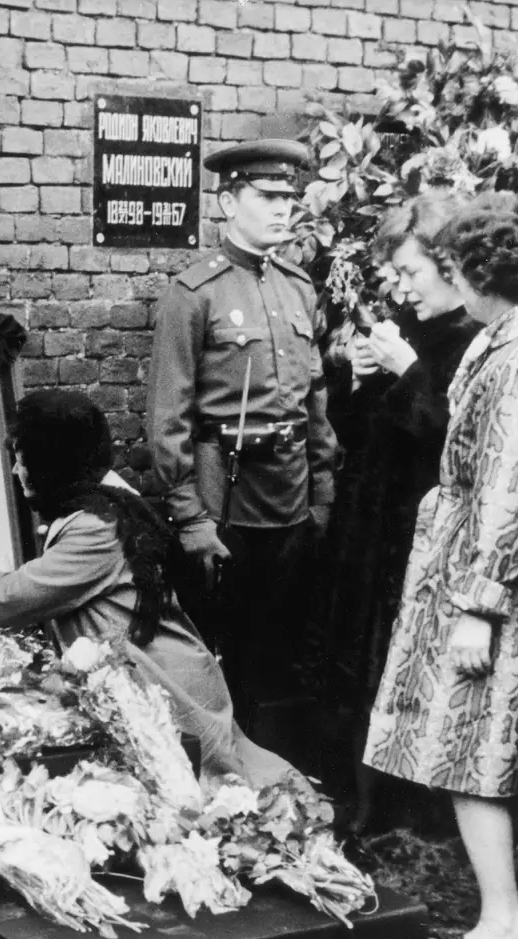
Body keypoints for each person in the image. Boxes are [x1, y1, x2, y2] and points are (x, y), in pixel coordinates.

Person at [364, 192, 518, 939]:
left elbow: (509, 485)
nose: (449, 280)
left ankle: (503, 917)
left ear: (481, 271)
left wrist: (477, 606)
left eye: (457, 267)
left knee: (470, 739)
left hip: (507, 572)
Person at [0, 388, 311, 793]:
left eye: (25, 459)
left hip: (170, 693)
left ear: (54, 461)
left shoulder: (96, 527)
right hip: (163, 680)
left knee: (216, 797)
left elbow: (11, 599)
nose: (18, 472)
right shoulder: (101, 499)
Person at [146, 139, 340, 768]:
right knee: (218, 649)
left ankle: (276, 783)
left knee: (276, 652)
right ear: (229, 201)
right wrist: (191, 518)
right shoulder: (193, 293)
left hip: (288, 497)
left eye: (291, 197)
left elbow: (314, 400)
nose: (285, 210)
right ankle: (220, 780)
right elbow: (168, 416)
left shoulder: (298, 287)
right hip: (223, 499)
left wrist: (322, 492)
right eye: (269, 197)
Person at [318, 191, 482, 834]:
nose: (402, 287)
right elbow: (360, 435)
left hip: (425, 540)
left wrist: (408, 370)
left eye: (411, 272)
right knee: (364, 665)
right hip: (376, 529)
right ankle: (370, 806)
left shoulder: (472, 341)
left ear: (451, 265)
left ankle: (412, 816)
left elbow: (458, 441)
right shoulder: (415, 333)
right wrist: (356, 380)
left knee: (403, 667)